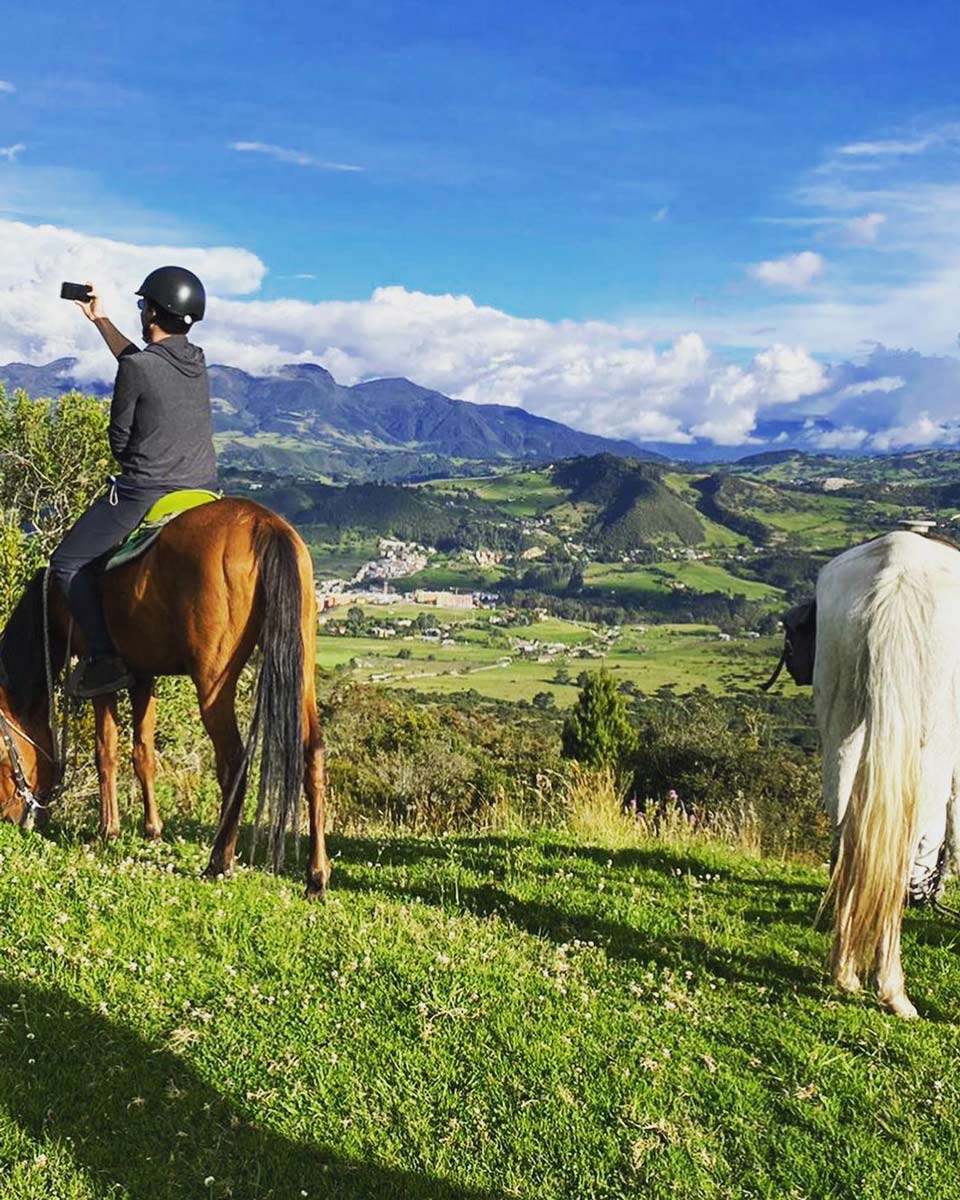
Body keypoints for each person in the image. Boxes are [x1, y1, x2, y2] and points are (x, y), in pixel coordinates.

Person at [50, 266, 219, 698]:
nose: (141, 312)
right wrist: (100, 320)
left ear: (154, 314)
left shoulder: (139, 369)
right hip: (201, 490)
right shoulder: (196, 362)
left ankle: (104, 658)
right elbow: (143, 363)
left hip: (147, 490)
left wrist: (133, 460)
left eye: (143, 305)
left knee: (66, 564)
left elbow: (120, 439)